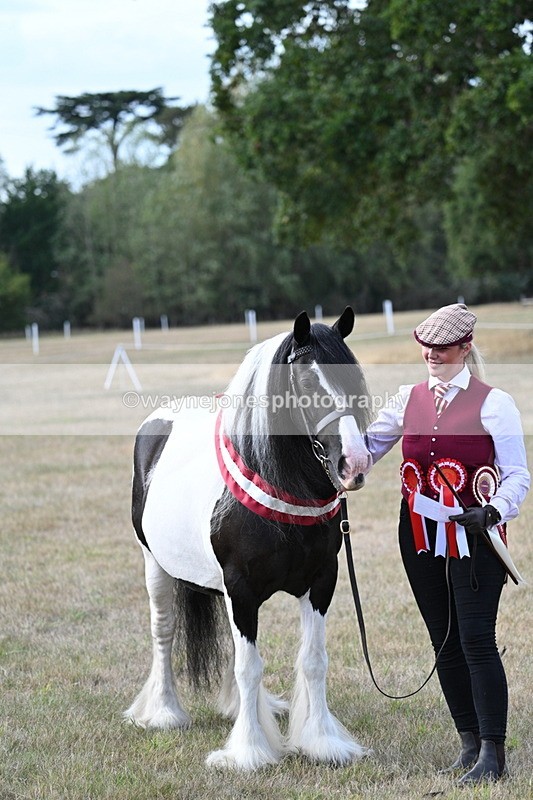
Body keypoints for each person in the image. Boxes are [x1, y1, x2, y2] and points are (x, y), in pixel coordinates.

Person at [364, 303, 530, 785]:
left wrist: (493, 511)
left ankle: (493, 753)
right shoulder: (405, 398)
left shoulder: (494, 403)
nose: (432, 355)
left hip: (475, 532)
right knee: (444, 641)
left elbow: (518, 474)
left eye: (442, 347)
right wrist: (335, 455)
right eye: (426, 347)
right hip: (417, 534)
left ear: (465, 347)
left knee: (476, 638)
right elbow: (367, 451)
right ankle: (468, 743)